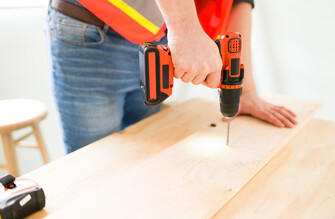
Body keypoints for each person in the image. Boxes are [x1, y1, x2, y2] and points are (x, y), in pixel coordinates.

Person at [46, 0, 297, 153]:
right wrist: (185, 31)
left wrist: (244, 92)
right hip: (92, 30)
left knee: (146, 152)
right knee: (95, 165)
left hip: (157, 37)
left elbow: (238, 2)